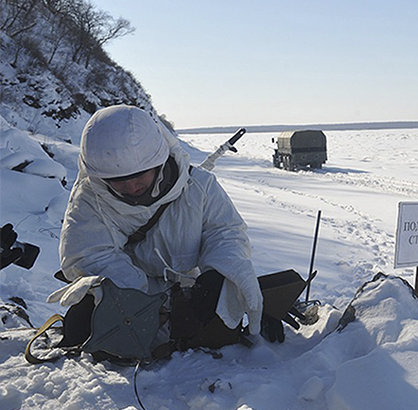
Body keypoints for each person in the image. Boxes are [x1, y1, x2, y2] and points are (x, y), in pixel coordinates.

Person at [49, 105, 266, 356]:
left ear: (159, 161)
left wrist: (222, 268)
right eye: (117, 180)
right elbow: (90, 256)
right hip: (130, 303)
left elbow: (225, 232)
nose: (131, 187)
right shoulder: (89, 200)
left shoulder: (200, 187)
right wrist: (148, 305)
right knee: (85, 324)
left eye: (139, 174)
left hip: (190, 296)